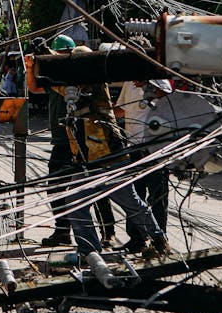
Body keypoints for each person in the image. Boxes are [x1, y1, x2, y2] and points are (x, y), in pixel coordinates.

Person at [54, 46, 171, 260]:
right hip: (88, 158)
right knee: (74, 201)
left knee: (132, 202)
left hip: (109, 153)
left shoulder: (94, 81)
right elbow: (41, 86)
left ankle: (158, 238)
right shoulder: (74, 83)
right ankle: (89, 250)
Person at [115, 78, 174, 253]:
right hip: (133, 147)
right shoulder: (128, 83)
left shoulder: (158, 79)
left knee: (157, 198)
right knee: (133, 196)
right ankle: (137, 239)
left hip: (156, 148)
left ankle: (159, 239)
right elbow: (121, 109)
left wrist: (148, 84)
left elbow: (168, 97)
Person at [40, 34, 79, 247]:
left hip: (72, 140)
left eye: (61, 55)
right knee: (56, 188)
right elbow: (35, 87)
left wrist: (45, 54)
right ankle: (63, 231)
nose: (58, 58)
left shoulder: (72, 76)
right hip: (61, 141)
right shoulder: (54, 76)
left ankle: (101, 233)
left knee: (81, 190)